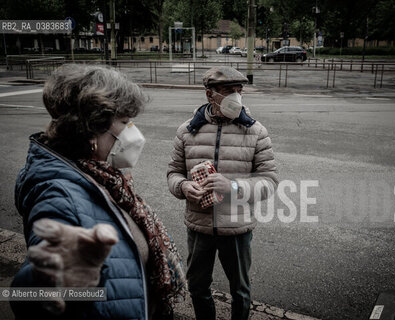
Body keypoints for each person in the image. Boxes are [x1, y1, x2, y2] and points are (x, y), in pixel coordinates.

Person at [11, 64, 185, 319]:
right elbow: (29, 296)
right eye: (125, 122)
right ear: (92, 129)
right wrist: (57, 274)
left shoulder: (102, 175)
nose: (134, 134)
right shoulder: (59, 192)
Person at [167, 66, 278, 320]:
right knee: (197, 287)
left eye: (240, 91)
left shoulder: (256, 132)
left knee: (240, 290)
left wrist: (234, 187)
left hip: (237, 230)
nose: (236, 98)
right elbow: (173, 173)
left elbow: (269, 181)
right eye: (229, 92)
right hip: (199, 228)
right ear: (210, 95)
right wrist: (184, 188)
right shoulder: (187, 131)